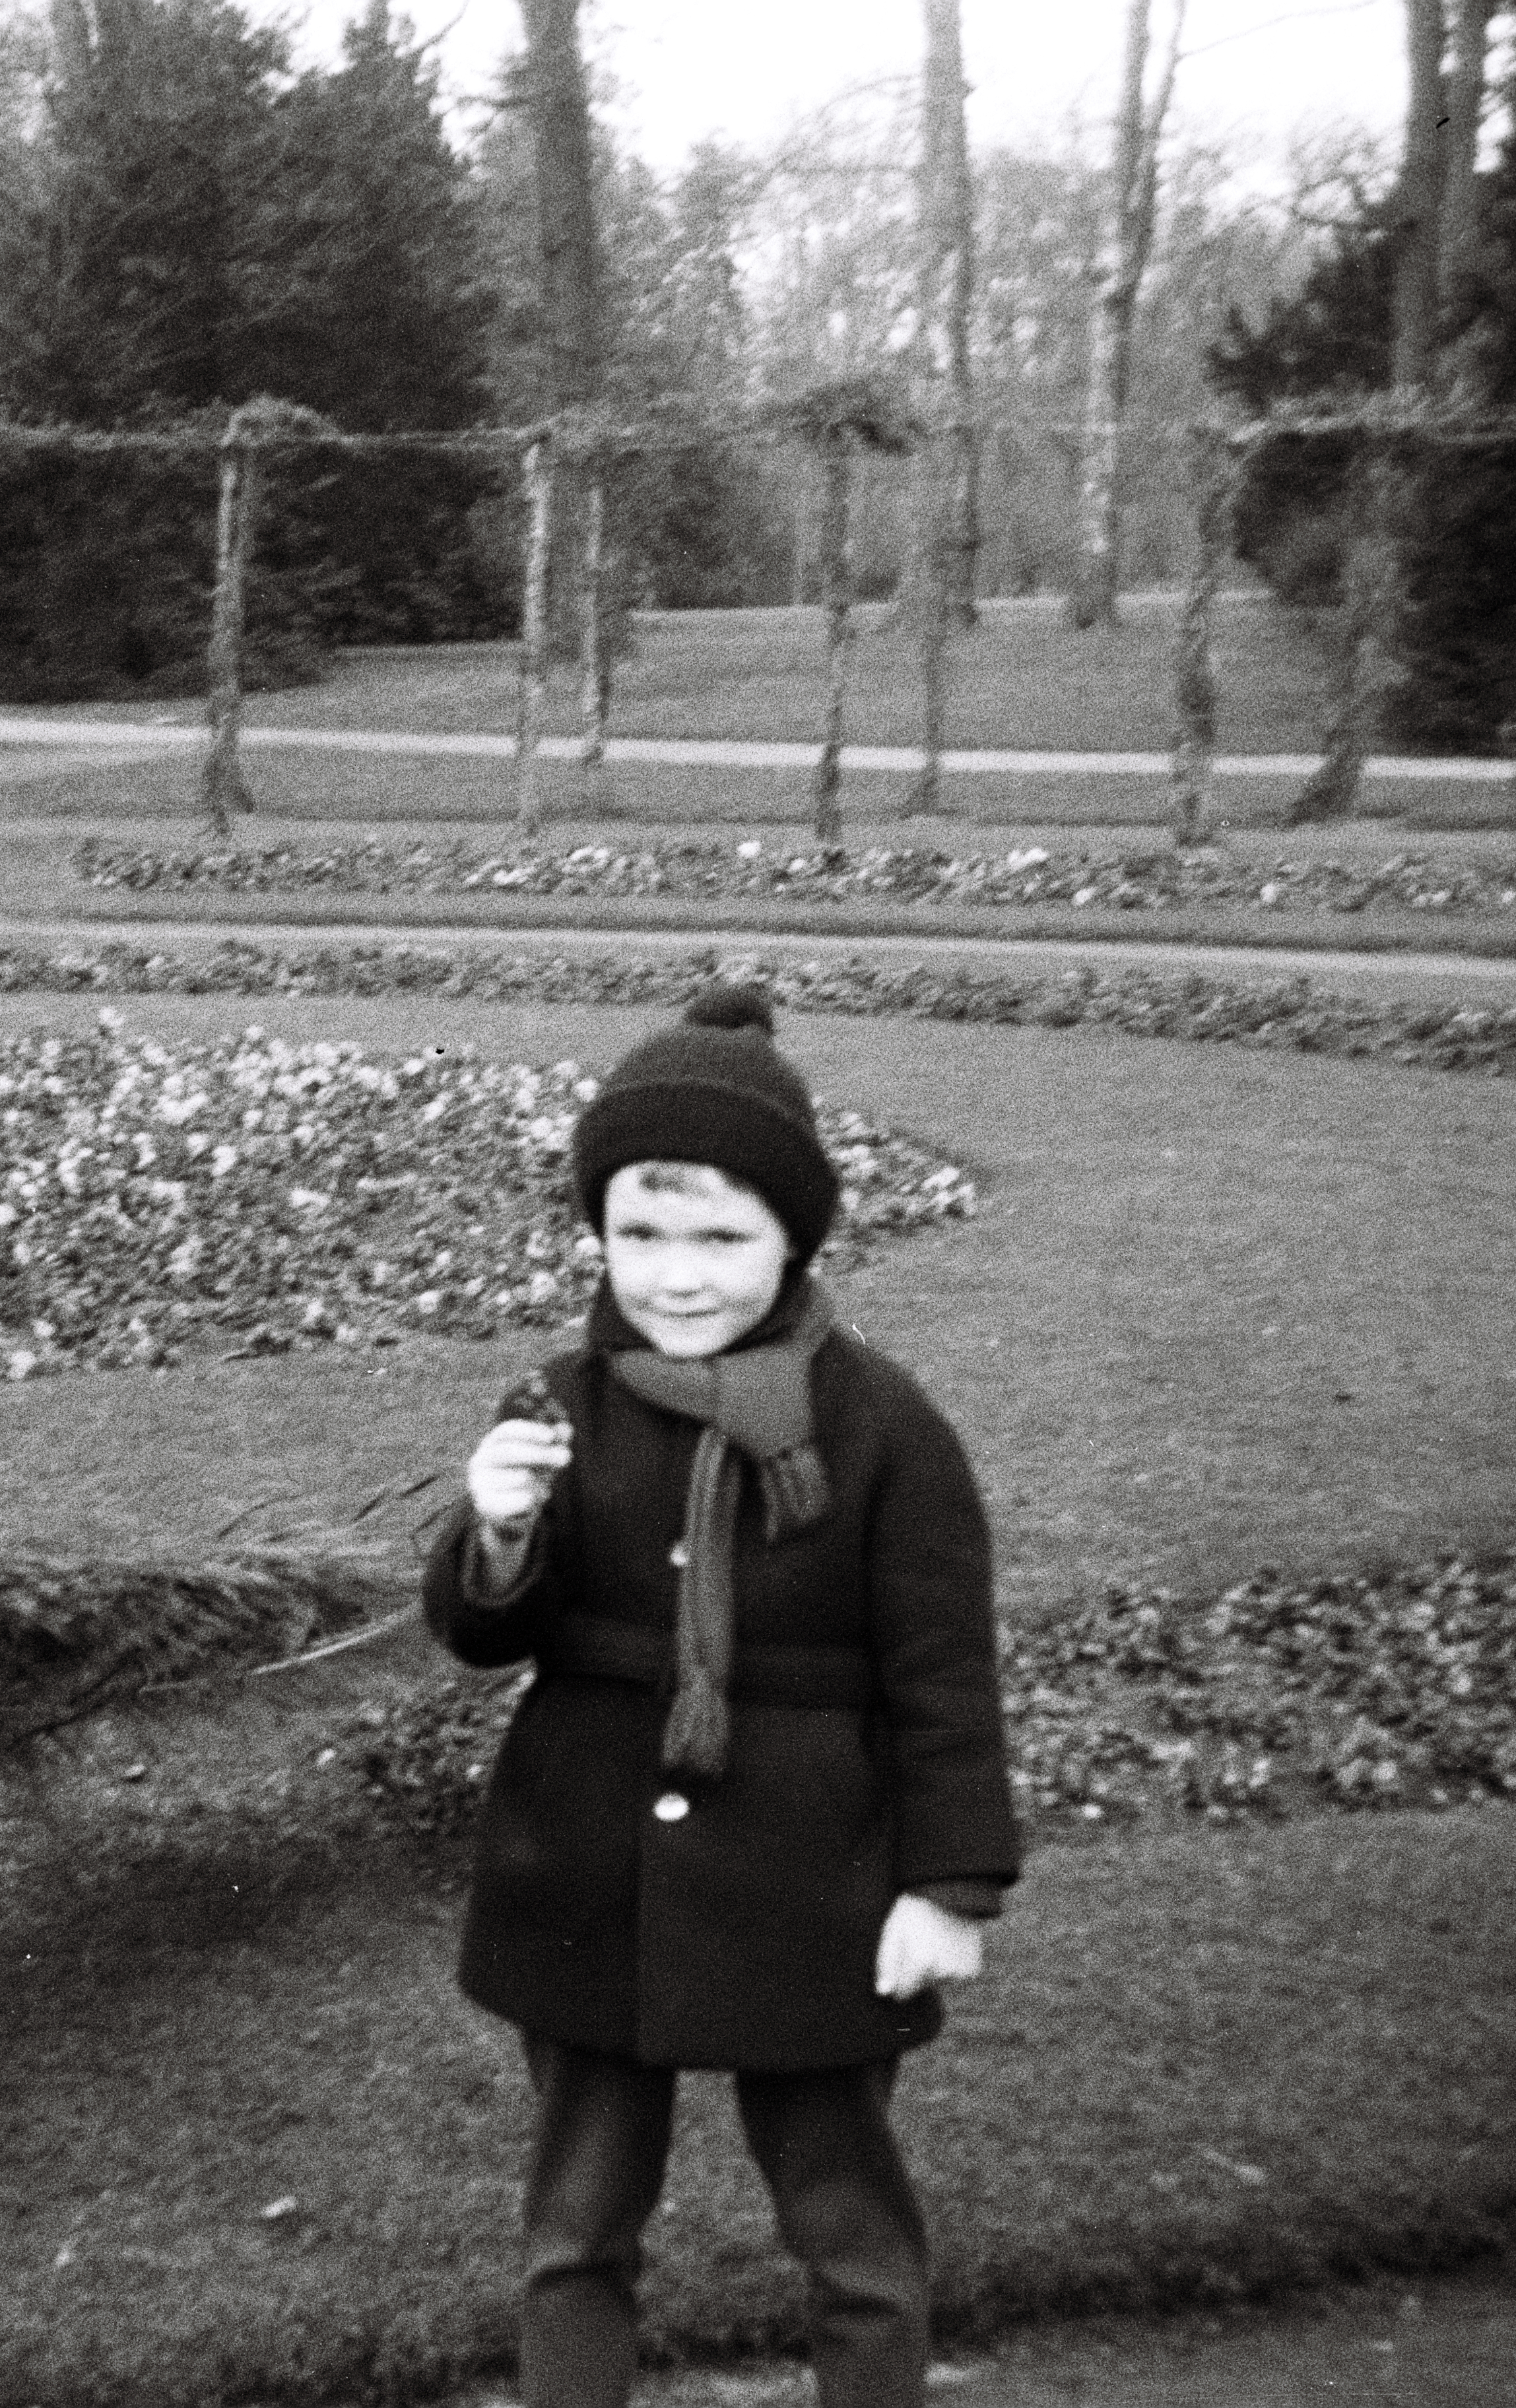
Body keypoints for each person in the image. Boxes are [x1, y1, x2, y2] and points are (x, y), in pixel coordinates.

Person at [424, 983, 1022, 2408]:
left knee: (846, 2228)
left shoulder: (885, 1426)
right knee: (574, 2231)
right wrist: (497, 1533)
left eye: (720, 1236)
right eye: (640, 1232)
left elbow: (943, 1671)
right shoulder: (561, 1396)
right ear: (598, 1232)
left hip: (815, 1882)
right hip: (586, 1868)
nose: (676, 1274)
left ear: (795, 1236)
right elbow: (488, 1635)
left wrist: (948, 1884)